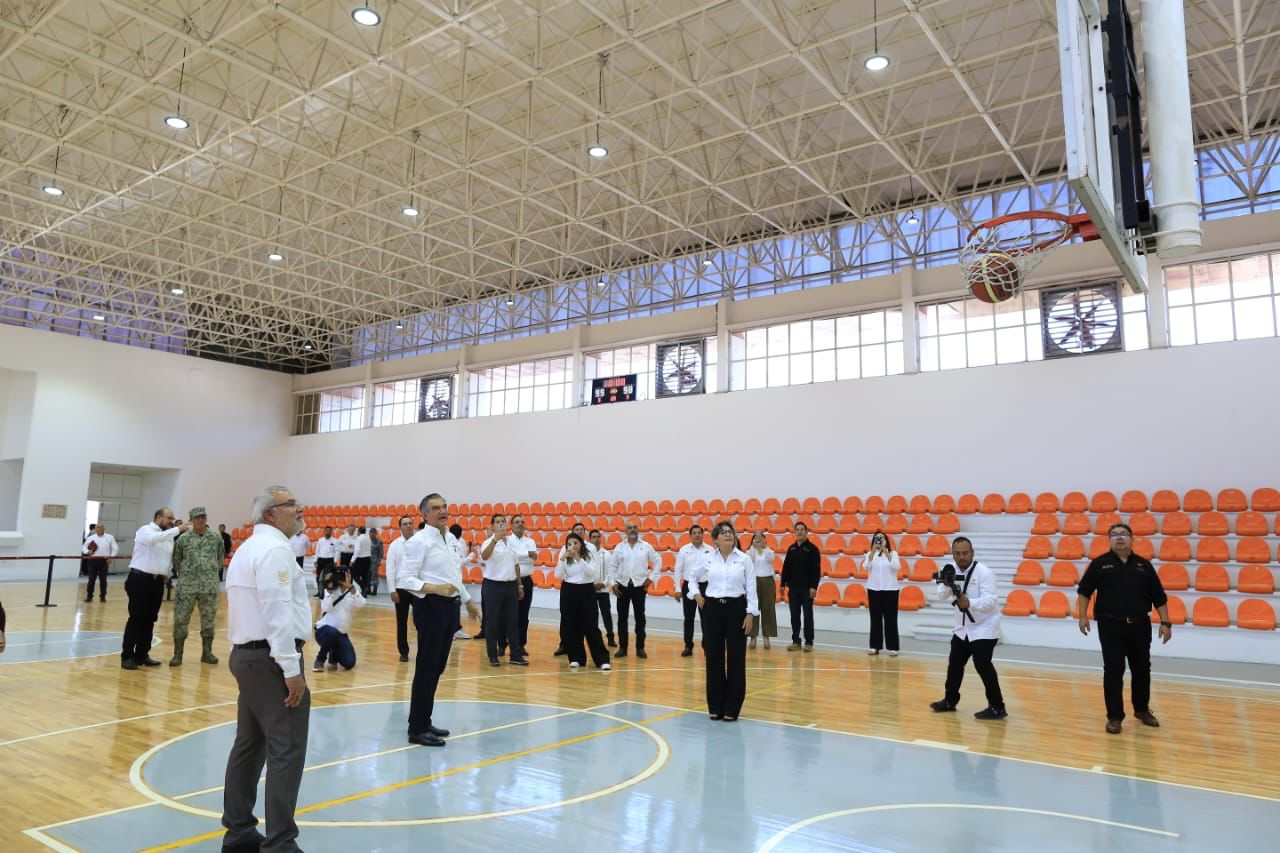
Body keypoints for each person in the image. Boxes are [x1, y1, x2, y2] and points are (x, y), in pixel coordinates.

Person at [220, 486, 311, 853]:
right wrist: (290, 668)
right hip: (271, 660)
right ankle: (280, 843)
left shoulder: (248, 548)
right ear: (271, 513)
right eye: (292, 504)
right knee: (286, 750)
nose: (300, 509)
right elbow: (277, 611)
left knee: (249, 746)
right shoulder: (275, 550)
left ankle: (239, 833)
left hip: (248, 657)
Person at [398, 492, 480, 747]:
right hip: (430, 606)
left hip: (450, 607)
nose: (442, 511)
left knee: (438, 667)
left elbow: (454, 575)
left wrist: (467, 599)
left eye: (444, 506)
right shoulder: (418, 541)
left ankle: (424, 720)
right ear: (424, 514)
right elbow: (405, 579)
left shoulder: (452, 538)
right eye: (436, 508)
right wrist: (434, 588)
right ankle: (417, 728)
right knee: (426, 667)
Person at [1076, 522, 1173, 734]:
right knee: (1113, 671)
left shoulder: (1144, 566)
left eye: (1124, 534)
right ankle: (1114, 717)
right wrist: (1082, 616)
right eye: (1115, 534)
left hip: (1140, 626)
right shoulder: (1099, 564)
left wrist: (1165, 622)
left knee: (1141, 669)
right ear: (1109, 540)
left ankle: (1142, 709)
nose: (1119, 537)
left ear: (1132, 539)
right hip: (1110, 626)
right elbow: (1084, 591)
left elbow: (1159, 596)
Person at [929, 537, 1007, 720]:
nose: (961, 557)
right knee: (955, 664)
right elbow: (941, 596)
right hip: (963, 627)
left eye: (965, 553)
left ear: (972, 553)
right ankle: (950, 701)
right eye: (957, 553)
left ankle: (997, 706)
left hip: (984, 626)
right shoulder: (950, 569)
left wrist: (970, 602)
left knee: (982, 664)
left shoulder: (984, 572)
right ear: (953, 554)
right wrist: (946, 583)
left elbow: (991, 601)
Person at [690, 521, 758, 721]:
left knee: (736, 658)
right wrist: (696, 595)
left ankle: (732, 707)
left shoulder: (744, 559)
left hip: (737, 609)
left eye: (730, 532)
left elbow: (751, 588)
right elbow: (692, 577)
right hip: (712, 609)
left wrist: (750, 613)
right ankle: (715, 705)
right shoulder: (708, 558)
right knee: (713, 657)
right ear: (715, 539)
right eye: (723, 532)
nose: (728, 535)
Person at [121, 508, 189, 670]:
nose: (172, 521)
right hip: (140, 580)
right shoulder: (145, 530)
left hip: (157, 582)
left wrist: (167, 573)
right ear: (158, 517)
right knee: (136, 618)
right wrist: (177, 529)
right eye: (169, 518)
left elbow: (167, 558)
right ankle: (127, 656)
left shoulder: (168, 537)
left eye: (173, 519)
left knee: (150, 619)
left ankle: (142, 655)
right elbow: (153, 540)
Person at [169, 507, 225, 667]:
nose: (200, 520)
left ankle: (207, 653)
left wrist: (211, 571)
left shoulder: (216, 537)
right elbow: (176, 560)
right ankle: (177, 654)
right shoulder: (183, 539)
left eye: (203, 517)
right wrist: (187, 573)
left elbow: (220, 557)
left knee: (208, 620)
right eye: (197, 517)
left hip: (209, 586)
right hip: (187, 586)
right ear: (191, 520)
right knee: (181, 619)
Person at [554, 532, 611, 670]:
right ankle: (576, 658)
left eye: (575, 543)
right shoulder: (564, 552)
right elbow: (558, 575)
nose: (572, 546)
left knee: (591, 625)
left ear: (581, 544)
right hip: (569, 589)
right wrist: (562, 559)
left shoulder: (589, 553)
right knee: (571, 625)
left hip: (586, 589)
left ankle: (602, 659)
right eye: (569, 543)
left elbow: (592, 572)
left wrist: (578, 558)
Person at [479, 513, 527, 667]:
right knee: (492, 622)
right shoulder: (488, 542)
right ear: (492, 526)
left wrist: (519, 585)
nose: (500, 524)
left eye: (503, 522)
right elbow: (485, 557)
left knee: (512, 621)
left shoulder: (511, 543)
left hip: (510, 586)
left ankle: (515, 655)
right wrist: (495, 540)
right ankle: (493, 655)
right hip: (493, 586)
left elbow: (516, 564)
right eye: (497, 522)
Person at [608, 519, 660, 659]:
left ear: (638, 530)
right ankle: (623, 648)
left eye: (635, 527)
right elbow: (612, 566)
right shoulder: (619, 547)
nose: (632, 529)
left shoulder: (646, 546)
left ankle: (640, 648)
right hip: (622, 586)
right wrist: (612, 583)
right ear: (625, 531)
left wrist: (651, 578)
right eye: (629, 527)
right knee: (622, 619)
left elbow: (658, 561)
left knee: (640, 618)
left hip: (639, 586)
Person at [313, 567, 365, 672]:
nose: (345, 577)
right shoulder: (330, 590)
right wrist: (330, 590)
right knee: (332, 632)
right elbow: (326, 607)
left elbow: (361, 603)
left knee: (349, 663)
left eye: (348, 575)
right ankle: (320, 659)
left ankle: (334, 654)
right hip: (324, 631)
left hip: (341, 634)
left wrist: (352, 588)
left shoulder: (352, 591)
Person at [675, 524, 714, 657]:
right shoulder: (684, 550)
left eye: (699, 533)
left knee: (706, 619)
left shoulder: (710, 550)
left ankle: (707, 646)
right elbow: (678, 570)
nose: (697, 535)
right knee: (689, 618)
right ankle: (688, 646)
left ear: (703, 535)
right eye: (694, 533)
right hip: (688, 586)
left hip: (705, 587)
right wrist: (677, 589)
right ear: (690, 535)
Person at [780, 522, 820, 652]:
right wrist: (782, 584)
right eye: (797, 530)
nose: (799, 532)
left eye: (802, 530)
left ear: (806, 532)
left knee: (808, 616)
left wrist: (814, 587)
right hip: (793, 589)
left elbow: (816, 570)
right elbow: (786, 567)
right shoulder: (791, 549)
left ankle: (809, 642)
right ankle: (796, 641)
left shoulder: (813, 549)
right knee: (794, 616)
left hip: (807, 589)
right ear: (795, 532)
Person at [863, 532, 902, 656]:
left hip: (890, 590)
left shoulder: (893, 554)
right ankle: (875, 646)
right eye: (877, 538)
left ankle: (893, 647)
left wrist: (886, 552)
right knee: (875, 619)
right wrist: (873, 552)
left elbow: (896, 567)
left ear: (886, 540)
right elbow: (866, 566)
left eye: (882, 538)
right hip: (874, 589)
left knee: (891, 619)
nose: (879, 540)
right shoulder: (870, 554)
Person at [387, 516, 417, 662]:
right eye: (405, 524)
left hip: (417, 588)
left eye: (410, 523)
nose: (408, 526)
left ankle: (424, 650)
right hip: (401, 588)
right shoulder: (394, 545)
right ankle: (403, 651)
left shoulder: (420, 543)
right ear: (400, 527)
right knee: (401, 621)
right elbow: (390, 568)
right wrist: (392, 590)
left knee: (421, 621)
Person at [508, 514, 538, 653]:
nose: (520, 524)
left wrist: (518, 555)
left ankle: (520, 645)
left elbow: (534, 558)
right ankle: (503, 644)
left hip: (526, 581)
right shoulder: (507, 540)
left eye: (522, 522)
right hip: (510, 581)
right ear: (511, 525)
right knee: (508, 615)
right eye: (517, 522)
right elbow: (510, 557)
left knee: (524, 615)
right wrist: (527, 554)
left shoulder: (530, 541)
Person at [746, 531, 777, 649]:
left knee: (768, 608)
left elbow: (770, 559)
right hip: (754, 580)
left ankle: (766, 636)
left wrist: (764, 547)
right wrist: (754, 547)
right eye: (756, 539)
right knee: (753, 608)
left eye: (761, 539)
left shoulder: (769, 552)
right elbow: (750, 560)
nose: (759, 541)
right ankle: (752, 636)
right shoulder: (749, 552)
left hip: (767, 580)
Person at [588, 529, 616, 647]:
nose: (596, 539)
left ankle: (610, 638)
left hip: (603, 589)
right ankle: (594, 639)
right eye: (593, 537)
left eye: (598, 536)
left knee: (606, 614)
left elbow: (611, 572)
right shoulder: (586, 554)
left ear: (600, 538)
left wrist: (604, 584)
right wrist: (591, 585)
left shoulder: (607, 554)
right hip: (590, 589)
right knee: (592, 615)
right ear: (589, 539)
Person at [82, 523, 119, 602]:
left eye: (101, 527)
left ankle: (103, 597)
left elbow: (115, 548)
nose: (99, 529)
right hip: (92, 561)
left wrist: (111, 557)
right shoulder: (91, 538)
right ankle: (89, 596)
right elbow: (84, 547)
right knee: (91, 579)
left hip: (104, 561)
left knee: (103, 579)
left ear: (104, 528)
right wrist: (88, 551)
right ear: (95, 529)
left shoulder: (110, 537)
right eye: (97, 527)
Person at [448, 523, 473, 641]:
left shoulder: (459, 542)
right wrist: (470, 557)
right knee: (453, 604)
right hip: (453, 578)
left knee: (456, 604)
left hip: (457, 577)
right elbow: (458, 563)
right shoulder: (454, 544)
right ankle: (453, 630)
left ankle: (456, 629)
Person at [313, 526, 340, 599]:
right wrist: (315, 560)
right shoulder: (320, 540)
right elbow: (317, 551)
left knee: (328, 577)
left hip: (330, 561)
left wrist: (335, 561)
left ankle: (326, 593)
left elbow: (337, 551)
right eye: (326, 530)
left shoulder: (335, 541)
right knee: (318, 577)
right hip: (321, 560)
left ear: (331, 532)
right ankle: (319, 591)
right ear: (324, 531)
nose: (328, 532)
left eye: (329, 530)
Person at [352, 526, 373, 597]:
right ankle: (364, 592)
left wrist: (352, 560)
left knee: (355, 575)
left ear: (359, 531)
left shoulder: (358, 538)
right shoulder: (368, 538)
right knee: (364, 576)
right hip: (368, 558)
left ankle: (363, 587)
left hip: (360, 559)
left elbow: (357, 550)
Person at [368, 526, 384, 596]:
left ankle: (374, 590)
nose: (371, 534)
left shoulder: (379, 542)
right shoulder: (367, 541)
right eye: (370, 533)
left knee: (374, 575)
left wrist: (379, 560)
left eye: (373, 533)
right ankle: (368, 589)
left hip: (375, 561)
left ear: (376, 534)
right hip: (367, 560)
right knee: (367, 575)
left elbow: (381, 552)